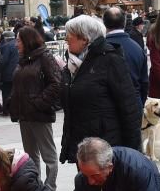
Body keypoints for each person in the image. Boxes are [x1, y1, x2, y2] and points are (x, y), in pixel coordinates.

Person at [59, 15, 141, 163]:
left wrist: (132, 150)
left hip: (106, 145)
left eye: (69, 35)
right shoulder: (73, 65)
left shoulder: (110, 59)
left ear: (84, 39)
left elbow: (128, 106)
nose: (66, 39)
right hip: (83, 145)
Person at [8, 25, 63, 191]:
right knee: (30, 156)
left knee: (48, 155)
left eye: (18, 40)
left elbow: (56, 83)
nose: (16, 44)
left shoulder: (45, 57)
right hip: (24, 114)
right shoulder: (23, 60)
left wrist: (38, 103)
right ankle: (35, 186)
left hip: (39, 114)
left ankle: (50, 187)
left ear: (27, 41)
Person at [104, 6, 147, 116]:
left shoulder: (97, 48)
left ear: (104, 23)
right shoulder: (137, 48)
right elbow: (144, 82)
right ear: (124, 23)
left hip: (107, 107)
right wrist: (140, 103)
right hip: (134, 103)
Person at [0, 29, 19, 110]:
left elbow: (3, 61)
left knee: (6, 92)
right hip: (18, 72)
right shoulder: (18, 44)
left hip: (8, 73)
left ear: (5, 38)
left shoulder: (6, 46)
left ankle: (7, 109)